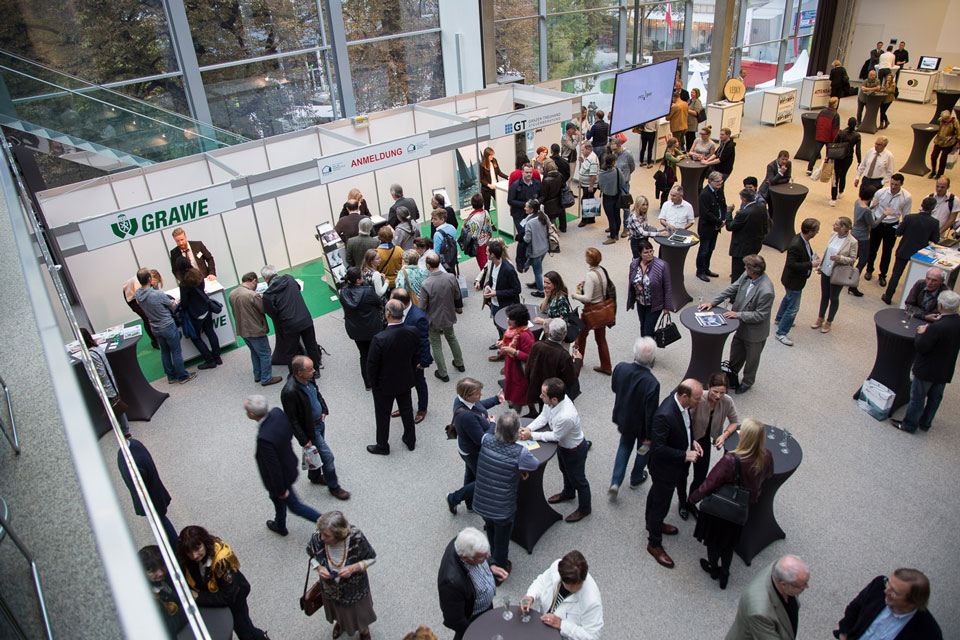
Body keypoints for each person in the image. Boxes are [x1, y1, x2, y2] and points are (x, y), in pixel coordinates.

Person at [689, 418, 772, 589]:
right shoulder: (766, 457)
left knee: (713, 543)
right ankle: (725, 572)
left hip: (719, 510)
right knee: (728, 544)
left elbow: (710, 483)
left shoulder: (731, 460)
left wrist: (693, 498)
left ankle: (713, 568)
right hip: (740, 510)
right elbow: (767, 476)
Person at [244, 395, 324, 536]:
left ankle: (327, 523)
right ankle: (279, 524)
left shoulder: (264, 438)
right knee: (276, 499)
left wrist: (281, 489)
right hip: (289, 464)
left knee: (294, 506)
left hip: (280, 480)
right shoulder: (277, 413)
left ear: (251, 415)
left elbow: (273, 468)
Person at [472, 411, 540, 576]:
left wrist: (492, 423)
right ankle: (498, 571)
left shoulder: (486, 440)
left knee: (490, 528)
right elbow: (534, 464)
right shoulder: (520, 452)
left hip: (481, 501)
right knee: (502, 543)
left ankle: (491, 557)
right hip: (502, 509)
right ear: (516, 433)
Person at [645, 379, 704, 569]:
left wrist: (691, 442)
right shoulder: (665, 415)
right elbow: (659, 448)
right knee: (661, 503)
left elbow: (687, 427)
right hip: (664, 468)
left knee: (656, 495)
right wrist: (684, 454)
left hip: (673, 466)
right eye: (697, 398)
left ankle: (653, 523)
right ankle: (654, 543)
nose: (700, 401)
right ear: (684, 396)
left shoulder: (683, 406)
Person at [700, 255, 775, 394]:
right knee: (736, 351)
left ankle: (747, 382)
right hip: (740, 325)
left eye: (746, 267)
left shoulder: (766, 291)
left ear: (753, 271)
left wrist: (738, 315)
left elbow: (760, 315)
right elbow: (731, 289)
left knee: (752, 359)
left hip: (755, 332)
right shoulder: (746, 276)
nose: (744, 268)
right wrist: (713, 302)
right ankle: (732, 375)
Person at [177, 526, 268, 640]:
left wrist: (199, 597)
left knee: (246, 633)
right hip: (212, 602)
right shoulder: (188, 560)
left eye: (198, 548)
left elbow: (228, 596)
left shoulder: (222, 562)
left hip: (234, 602)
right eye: (189, 552)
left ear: (204, 542)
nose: (194, 556)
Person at [520, 378, 591, 523]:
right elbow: (544, 417)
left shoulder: (566, 416)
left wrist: (531, 435)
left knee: (579, 480)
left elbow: (555, 436)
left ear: (554, 399)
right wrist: (529, 428)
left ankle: (585, 508)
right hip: (563, 447)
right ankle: (568, 493)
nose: (540, 397)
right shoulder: (552, 403)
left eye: (543, 395)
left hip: (574, 450)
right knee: (564, 470)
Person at [279, 356, 351, 499]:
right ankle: (334, 487)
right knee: (328, 458)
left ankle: (314, 475)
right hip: (310, 429)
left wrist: (324, 409)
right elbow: (292, 420)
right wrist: (304, 439)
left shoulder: (309, 379)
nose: (314, 371)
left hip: (319, 423)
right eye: (310, 369)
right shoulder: (289, 392)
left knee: (314, 451)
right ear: (300, 372)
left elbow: (317, 395)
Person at [891, 290, 960, 433]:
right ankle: (925, 423)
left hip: (927, 369)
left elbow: (921, 347)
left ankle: (909, 425)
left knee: (917, 398)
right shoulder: (956, 323)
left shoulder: (936, 328)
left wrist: (921, 333)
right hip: (945, 369)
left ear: (940, 305)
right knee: (935, 398)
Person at [305, 511, 377, 640]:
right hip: (331, 589)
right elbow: (310, 555)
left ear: (339, 535)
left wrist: (353, 568)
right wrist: (319, 567)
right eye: (321, 533)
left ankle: (364, 631)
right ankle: (341, 623)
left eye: (327, 536)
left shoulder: (356, 538)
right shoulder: (317, 537)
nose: (322, 538)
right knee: (338, 610)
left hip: (355, 590)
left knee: (359, 614)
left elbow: (372, 558)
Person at [366, 300, 420, 455]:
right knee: (407, 410)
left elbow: (372, 365)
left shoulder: (379, 339)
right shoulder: (413, 331)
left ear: (388, 313)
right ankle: (410, 440)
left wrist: (374, 383)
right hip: (405, 379)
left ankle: (382, 445)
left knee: (382, 415)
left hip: (384, 384)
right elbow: (416, 356)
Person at [608, 337, 659, 499]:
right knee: (643, 451)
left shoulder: (621, 368)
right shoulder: (652, 383)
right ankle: (636, 477)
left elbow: (615, 388)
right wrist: (650, 436)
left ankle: (615, 482)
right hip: (643, 426)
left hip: (625, 417)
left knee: (624, 446)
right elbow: (651, 412)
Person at [437, 527, 508, 640]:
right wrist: (475, 634)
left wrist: (492, 565)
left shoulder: (464, 542)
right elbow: (454, 620)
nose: (487, 557)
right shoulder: (451, 583)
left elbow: (484, 555)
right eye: (482, 558)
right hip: (473, 618)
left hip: (485, 608)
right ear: (465, 558)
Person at [685, 372, 740, 513]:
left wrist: (724, 436)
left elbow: (734, 422)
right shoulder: (699, 398)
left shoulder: (727, 401)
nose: (718, 396)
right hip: (690, 438)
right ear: (708, 387)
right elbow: (685, 420)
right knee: (682, 473)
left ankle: (690, 502)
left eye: (722, 393)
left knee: (700, 476)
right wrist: (691, 442)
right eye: (715, 392)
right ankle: (681, 501)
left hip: (705, 441)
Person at [834, 569, 943, 639]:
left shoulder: (929, 633)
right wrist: (844, 634)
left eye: (894, 592)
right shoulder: (878, 586)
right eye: (888, 583)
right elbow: (853, 609)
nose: (886, 591)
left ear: (913, 602)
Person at [446, 379, 503, 514]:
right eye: (477, 394)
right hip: (473, 451)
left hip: (466, 449)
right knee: (485, 480)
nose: (480, 396)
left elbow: (479, 406)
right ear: (467, 395)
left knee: (471, 474)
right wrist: (493, 424)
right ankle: (454, 498)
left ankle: (470, 504)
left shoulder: (461, 400)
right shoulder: (466, 416)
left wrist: (496, 399)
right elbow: (482, 440)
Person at [520, 550, 603, 639]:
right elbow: (542, 581)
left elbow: (592, 637)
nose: (574, 590)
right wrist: (530, 596)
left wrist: (561, 624)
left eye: (578, 585)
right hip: (543, 622)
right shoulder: (556, 567)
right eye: (570, 586)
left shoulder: (592, 602)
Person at [133, 268, 196, 384]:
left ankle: (171, 376)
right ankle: (182, 376)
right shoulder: (157, 294)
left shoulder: (138, 295)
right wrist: (176, 302)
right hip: (167, 325)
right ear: (149, 279)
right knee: (176, 351)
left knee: (164, 351)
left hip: (155, 327)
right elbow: (171, 306)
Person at [726, 555, 809, 640]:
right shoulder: (760, 613)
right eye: (802, 586)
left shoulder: (782, 568)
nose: (807, 586)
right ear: (784, 584)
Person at [261, 265, 324, 376]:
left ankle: (295, 375)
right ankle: (316, 370)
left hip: (289, 325)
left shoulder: (268, 295)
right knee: (311, 345)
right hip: (305, 319)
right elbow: (298, 289)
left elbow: (272, 313)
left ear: (265, 279)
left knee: (291, 352)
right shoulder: (289, 279)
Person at [118, 435, 178, 547]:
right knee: (162, 521)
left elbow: (137, 488)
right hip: (156, 492)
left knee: (162, 524)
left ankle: (176, 547)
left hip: (152, 500)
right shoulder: (135, 444)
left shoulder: (133, 466)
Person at [881, 196, 940, 304]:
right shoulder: (935, 222)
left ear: (921, 205)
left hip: (904, 249)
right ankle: (915, 299)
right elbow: (935, 239)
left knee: (896, 274)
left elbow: (898, 232)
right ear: (933, 209)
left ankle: (888, 295)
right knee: (917, 277)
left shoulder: (909, 218)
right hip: (920, 254)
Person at [774, 218, 821, 346]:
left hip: (793, 280)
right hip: (793, 281)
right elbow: (791, 264)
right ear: (810, 231)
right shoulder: (796, 244)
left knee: (788, 299)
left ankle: (779, 318)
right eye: (816, 230)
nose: (817, 233)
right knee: (793, 309)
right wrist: (810, 264)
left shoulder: (802, 240)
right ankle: (781, 333)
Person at [228, 272, 281, 386]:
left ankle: (258, 375)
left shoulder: (232, 293)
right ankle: (266, 378)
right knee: (265, 353)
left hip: (242, 329)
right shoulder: (252, 295)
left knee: (254, 352)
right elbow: (263, 309)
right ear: (253, 281)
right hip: (255, 329)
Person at [419, 252, 464, 383]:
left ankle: (443, 372)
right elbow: (457, 296)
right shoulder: (450, 277)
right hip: (449, 314)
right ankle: (459, 362)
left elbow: (422, 306)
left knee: (436, 344)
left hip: (433, 318)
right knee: (452, 338)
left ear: (428, 265)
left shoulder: (426, 284)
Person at [79, 327, 130, 436]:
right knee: (116, 405)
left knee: (116, 406)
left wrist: (100, 387)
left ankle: (125, 431)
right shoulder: (97, 349)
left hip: (105, 386)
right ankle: (124, 429)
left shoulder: (89, 355)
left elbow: (100, 373)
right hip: (109, 382)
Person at [811, 216, 859, 333]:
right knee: (824, 295)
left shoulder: (852, 242)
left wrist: (840, 258)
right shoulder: (833, 234)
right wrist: (821, 266)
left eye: (836, 224)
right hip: (826, 269)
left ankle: (829, 321)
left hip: (837, 273)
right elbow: (828, 251)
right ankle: (820, 317)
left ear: (843, 228)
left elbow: (853, 259)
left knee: (834, 297)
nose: (833, 225)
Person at [338, 267, 383, 390]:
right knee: (376, 353)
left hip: (355, 329)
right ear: (358, 280)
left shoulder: (342, 292)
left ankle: (368, 383)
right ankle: (379, 377)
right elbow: (378, 303)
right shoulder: (367, 291)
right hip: (371, 327)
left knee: (363, 354)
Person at [525, 319, 583, 412]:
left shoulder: (537, 345)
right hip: (554, 394)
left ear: (549, 334)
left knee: (542, 412)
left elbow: (528, 368)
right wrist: (578, 361)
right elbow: (572, 378)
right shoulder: (564, 355)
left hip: (540, 388)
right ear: (564, 336)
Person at [391, 288, 431, 423]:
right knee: (403, 384)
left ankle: (422, 409)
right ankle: (404, 408)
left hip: (415, 359)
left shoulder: (418, 317)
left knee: (419, 383)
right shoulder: (398, 312)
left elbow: (424, 341)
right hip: (401, 358)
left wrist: (424, 361)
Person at [572, 248, 613, 375]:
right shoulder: (602, 271)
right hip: (601, 310)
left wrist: (575, 295)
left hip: (590, 311)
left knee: (580, 336)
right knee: (601, 339)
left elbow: (587, 298)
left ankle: (577, 359)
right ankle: (606, 365)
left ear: (589, 260)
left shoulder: (590, 275)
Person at [138, 545, 188, 637]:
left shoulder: (168, 576)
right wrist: (188, 606)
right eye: (153, 571)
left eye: (162, 566)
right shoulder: (148, 599)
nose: (160, 573)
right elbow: (167, 628)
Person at [477, 241, 521, 343]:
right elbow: (492, 280)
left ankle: (505, 347)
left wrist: (496, 293)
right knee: (497, 324)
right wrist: (488, 284)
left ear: (492, 254)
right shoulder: (493, 263)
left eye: (487, 252)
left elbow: (517, 289)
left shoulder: (508, 269)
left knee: (506, 328)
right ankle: (501, 341)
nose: (485, 253)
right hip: (494, 303)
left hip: (506, 306)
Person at [627, 239, 672, 337]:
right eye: (646, 252)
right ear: (639, 253)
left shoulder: (662, 265)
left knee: (648, 329)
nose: (649, 254)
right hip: (640, 302)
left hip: (655, 304)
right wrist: (631, 301)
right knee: (643, 325)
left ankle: (648, 350)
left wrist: (667, 306)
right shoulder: (634, 264)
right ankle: (644, 348)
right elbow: (631, 283)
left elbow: (668, 287)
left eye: (651, 251)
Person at [179, 267, 221, 370]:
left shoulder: (184, 284)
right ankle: (217, 357)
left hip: (195, 314)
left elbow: (184, 303)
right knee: (210, 332)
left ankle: (210, 360)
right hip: (206, 309)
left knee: (196, 337)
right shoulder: (198, 276)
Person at [725, 189, 768, 283]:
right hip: (755, 246)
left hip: (741, 249)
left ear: (744, 200)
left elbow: (730, 226)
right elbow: (766, 225)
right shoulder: (761, 207)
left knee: (737, 276)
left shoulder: (743, 213)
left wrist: (729, 212)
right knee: (750, 272)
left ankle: (734, 297)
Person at [499, 304, 535, 413]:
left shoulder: (524, 336)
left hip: (519, 371)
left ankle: (515, 417)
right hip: (512, 367)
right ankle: (532, 410)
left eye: (510, 319)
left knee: (518, 395)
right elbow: (509, 343)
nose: (508, 321)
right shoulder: (513, 330)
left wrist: (514, 352)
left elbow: (531, 356)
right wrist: (502, 344)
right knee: (520, 393)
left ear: (518, 321)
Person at [697, 172, 731, 281]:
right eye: (717, 182)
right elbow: (705, 214)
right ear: (710, 181)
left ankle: (707, 268)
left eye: (721, 182)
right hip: (707, 227)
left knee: (711, 249)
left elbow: (723, 205)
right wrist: (719, 222)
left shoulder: (719, 190)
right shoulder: (704, 194)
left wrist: (723, 219)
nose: (720, 184)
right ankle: (700, 271)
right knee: (704, 250)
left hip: (716, 227)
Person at [848, 182, 879, 296]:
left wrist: (872, 207)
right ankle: (853, 285)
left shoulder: (857, 202)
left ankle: (847, 277)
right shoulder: (867, 210)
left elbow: (861, 216)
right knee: (862, 261)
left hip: (854, 234)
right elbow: (873, 224)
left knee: (852, 257)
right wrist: (884, 214)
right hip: (863, 238)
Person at [831, 117, 863, 206]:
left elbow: (834, 144)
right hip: (848, 157)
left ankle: (833, 198)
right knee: (843, 174)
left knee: (835, 177)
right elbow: (858, 150)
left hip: (838, 156)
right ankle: (841, 192)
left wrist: (830, 155)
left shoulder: (841, 132)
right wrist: (859, 161)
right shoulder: (857, 136)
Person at [122, 271, 159, 348]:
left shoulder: (145, 278)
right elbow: (140, 298)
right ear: (150, 279)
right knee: (146, 318)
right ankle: (155, 341)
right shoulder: (138, 284)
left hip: (134, 294)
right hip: (132, 299)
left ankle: (157, 339)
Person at [626, 195, 669, 259]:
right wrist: (659, 234)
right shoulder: (633, 217)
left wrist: (653, 230)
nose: (645, 207)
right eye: (643, 205)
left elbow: (645, 225)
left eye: (646, 204)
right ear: (638, 205)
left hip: (644, 239)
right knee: (638, 260)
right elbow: (642, 232)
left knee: (646, 259)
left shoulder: (643, 213)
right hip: (636, 241)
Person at [609, 137, 636, 237]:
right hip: (614, 183)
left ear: (620, 146)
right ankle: (614, 226)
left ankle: (626, 228)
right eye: (612, 150)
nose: (614, 152)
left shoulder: (627, 154)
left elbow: (632, 167)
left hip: (624, 184)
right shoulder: (613, 154)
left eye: (615, 149)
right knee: (614, 205)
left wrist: (626, 176)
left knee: (625, 207)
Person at [522, 199, 549, 294]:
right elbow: (549, 226)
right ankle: (537, 282)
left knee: (537, 270)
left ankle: (541, 290)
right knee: (538, 267)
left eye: (526, 207)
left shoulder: (529, 222)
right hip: (544, 247)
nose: (524, 208)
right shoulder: (543, 216)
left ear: (532, 209)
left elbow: (527, 239)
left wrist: (522, 237)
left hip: (535, 250)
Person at [507, 163, 542, 237]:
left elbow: (543, 196)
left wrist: (538, 201)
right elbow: (510, 200)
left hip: (533, 215)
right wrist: (525, 204)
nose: (529, 174)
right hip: (519, 215)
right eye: (526, 172)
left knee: (533, 235)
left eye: (530, 172)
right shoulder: (515, 185)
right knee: (523, 236)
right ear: (522, 172)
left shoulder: (537, 183)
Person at [597, 155, 625, 244]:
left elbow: (600, 185)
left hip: (607, 197)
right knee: (617, 215)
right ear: (613, 162)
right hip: (617, 196)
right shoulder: (617, 171)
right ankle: (616, 233)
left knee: (611, 217)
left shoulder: (601, 173)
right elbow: (622, 183)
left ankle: (612, 236)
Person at [463, 193, 494, 270]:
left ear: (472, 204)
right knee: (489, 259)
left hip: (479, 244)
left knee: (483, 264)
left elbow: (473, 235)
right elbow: (489, 226)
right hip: (487, 239)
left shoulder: (473, 218)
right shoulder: (486, 212)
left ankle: (486, 279)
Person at [929, 110, 960, 180]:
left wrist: (958, 142)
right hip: (939, 141)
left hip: (948, 143)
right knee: (933, 156)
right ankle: (933, 171)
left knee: (943, 159)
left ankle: (939, 174)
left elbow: (958, 133)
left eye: (946, 119)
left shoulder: (955, 122)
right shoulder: (940, 120)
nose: (945, 121)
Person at [479, 146, 508, 212]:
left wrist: (508, 177)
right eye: (491, 155)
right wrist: (489, 185)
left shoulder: (494, 161)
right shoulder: (481, 165)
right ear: (487, 156)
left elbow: (499, 172)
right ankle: (489, 222)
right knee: (487, 207)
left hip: (495, 187)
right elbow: (481, 179)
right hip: (486, 190)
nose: (492, 156)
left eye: (493, 154)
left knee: (501, 203)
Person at [541, 159, 566, 232]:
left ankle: (552, 233)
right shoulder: (560, 175)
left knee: (551, 220)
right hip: (559, 200)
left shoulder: (546, 180)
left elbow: (544, 194)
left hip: (549, 204)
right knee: (561, 214)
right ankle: (563, 227)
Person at [577, 142, 599, 227]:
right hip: (586, 184)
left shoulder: (593, 159)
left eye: (583, 150)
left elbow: (593, 175)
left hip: (589, 185)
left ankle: (585, 220)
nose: (582, 152)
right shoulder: (588, 157)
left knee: (586, 201)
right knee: (590, 200)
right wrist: (583, 161)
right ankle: (591, 218)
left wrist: (591, 186)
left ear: (588, 149)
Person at [659, 137, 685, 206]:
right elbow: (675, 160)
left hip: (672, 172)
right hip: (668, 172)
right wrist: (678, 158)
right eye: (676, 142)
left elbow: (682, 155)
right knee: (666, 189)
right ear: (673, 144)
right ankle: (663, 204)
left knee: (670, 186)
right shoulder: (668, 153)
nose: (678, 143)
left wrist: (679, 157)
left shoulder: (674, 150)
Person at [685, 88, 704, 152]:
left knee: (691, 137)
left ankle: (692, 150)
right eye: (691, 92)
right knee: (687, 137)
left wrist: (687, 110)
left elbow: (696, 112)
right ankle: (688, 149)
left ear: (697, 94)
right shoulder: (690, 100)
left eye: (693, 93)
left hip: (692, 123)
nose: (691, 94)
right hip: (687, 122)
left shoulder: (697, 102)